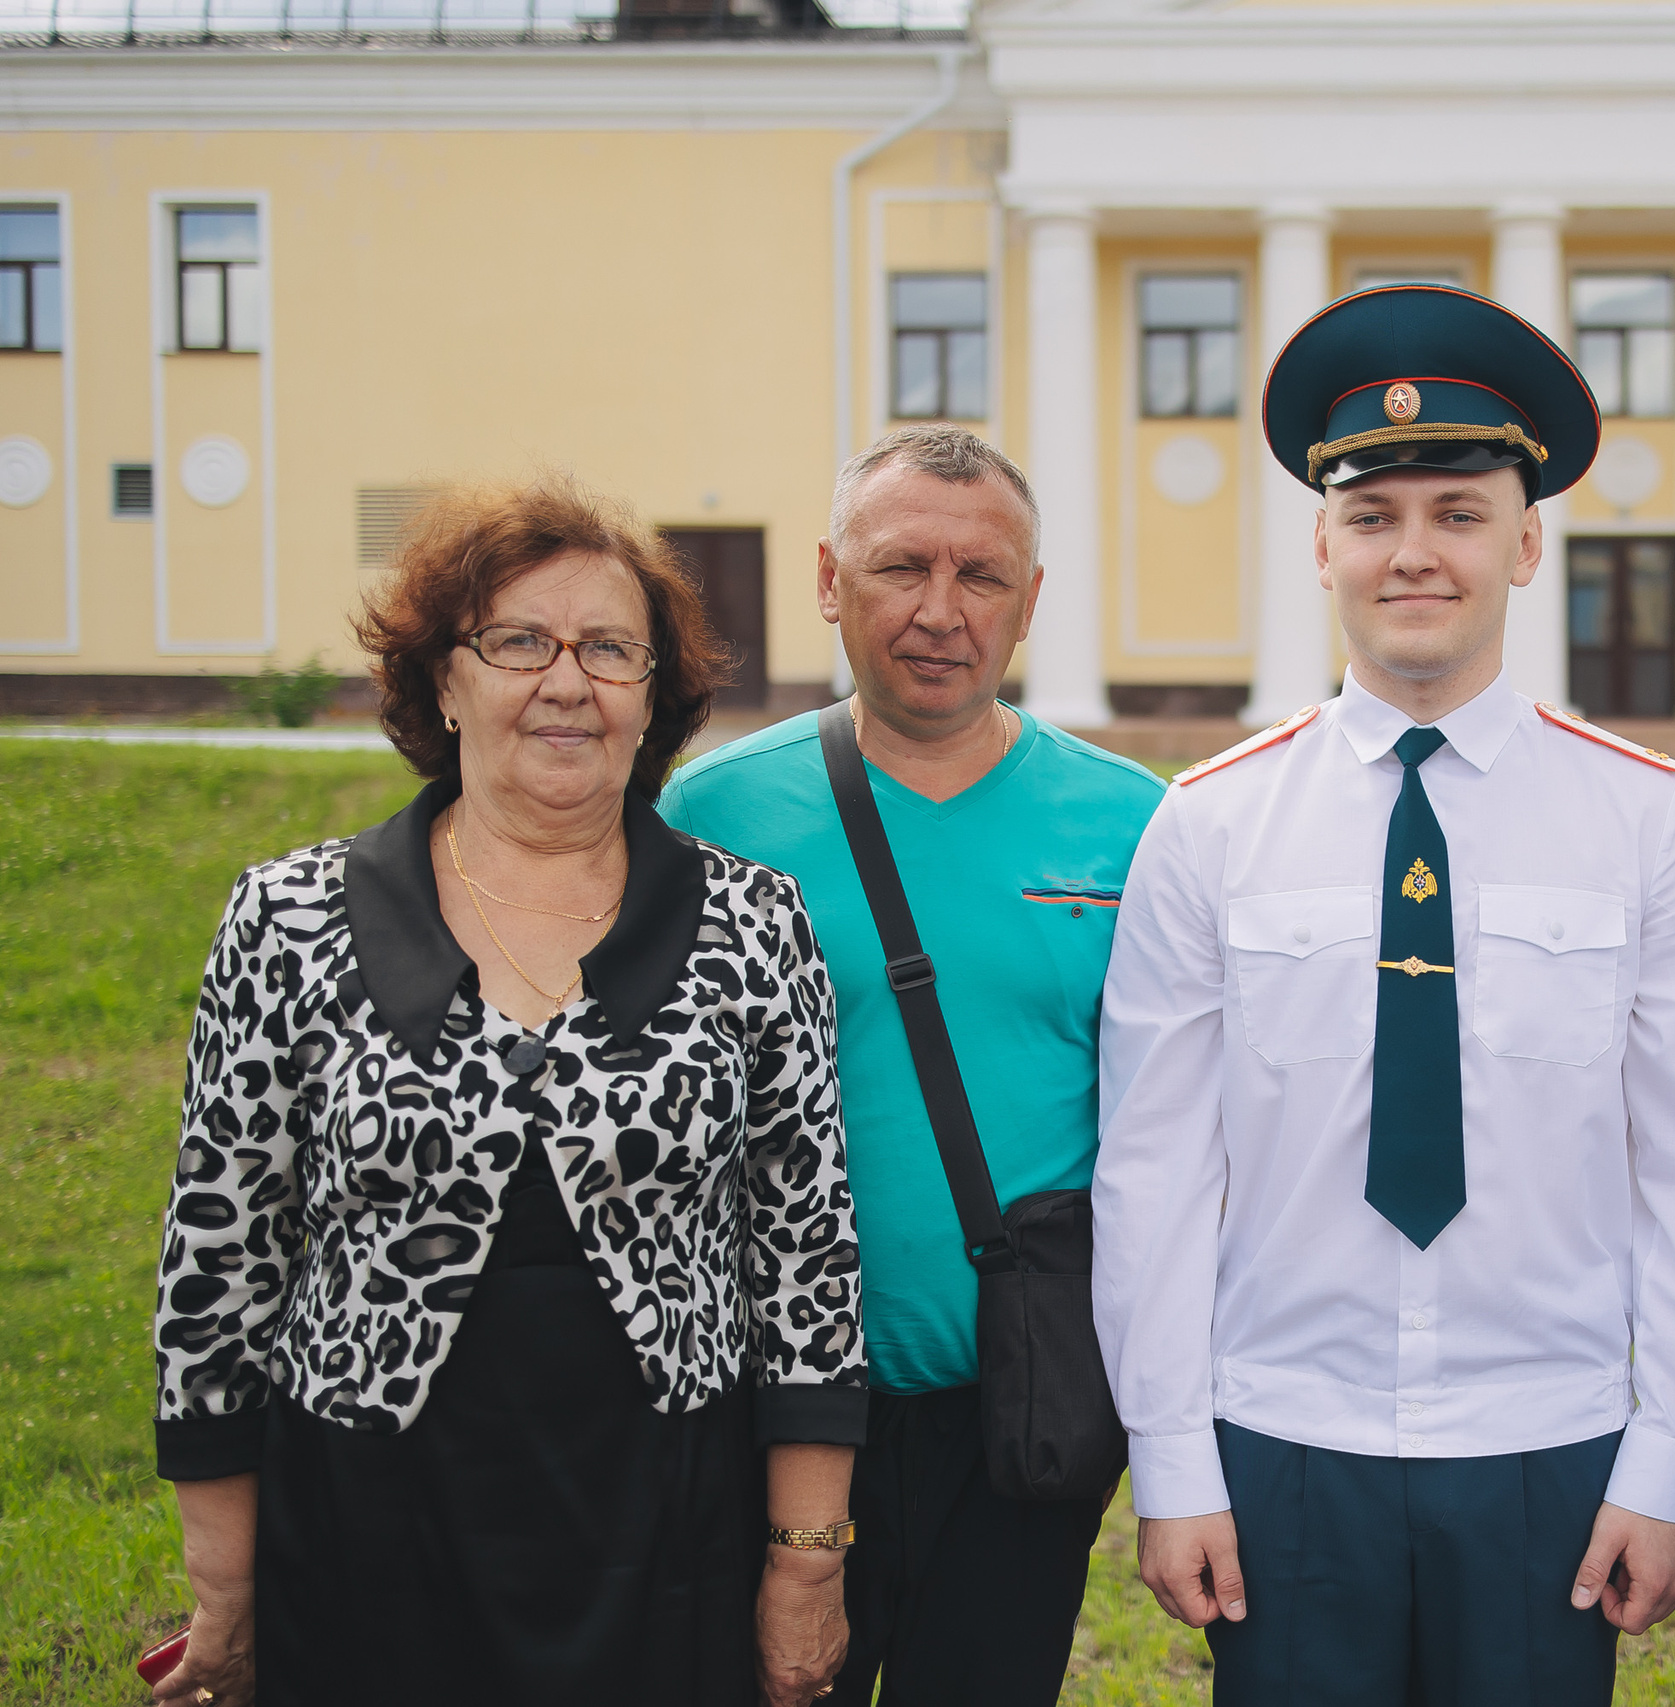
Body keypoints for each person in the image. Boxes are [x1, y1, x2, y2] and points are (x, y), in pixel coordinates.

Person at [1092, 283, 1675, 1706]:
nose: (1416, 552)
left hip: (1552, 1447)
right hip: (1283, 1441)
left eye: (1458, 512)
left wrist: (1669, 1451)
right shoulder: (1209, 823)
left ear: (1526, 544)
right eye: (1377, 514)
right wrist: (1173, 1455)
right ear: (1323, 543)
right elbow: (1153, 1170)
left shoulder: (1646, 820)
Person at [147, 477, 864, 1707]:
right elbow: (221, 1268)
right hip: (368, 1524)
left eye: (610, 648)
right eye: (518, 641)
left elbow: (804, 1265)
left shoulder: (753, 922)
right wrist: (225, 1582)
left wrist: (805, 1562)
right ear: (443, 678)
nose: (567, 681)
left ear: (655, 695)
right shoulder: (291, 917)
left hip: (664, 1528)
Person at [657, 423, 1165, 1706]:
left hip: (1021, 1407)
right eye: (900, 569)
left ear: (1032, 601)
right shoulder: (709, 818)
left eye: (982, 576)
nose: (941, 612)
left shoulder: (1140, 825)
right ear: (829, 581)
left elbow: (1183, 1132)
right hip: (766, 1409)